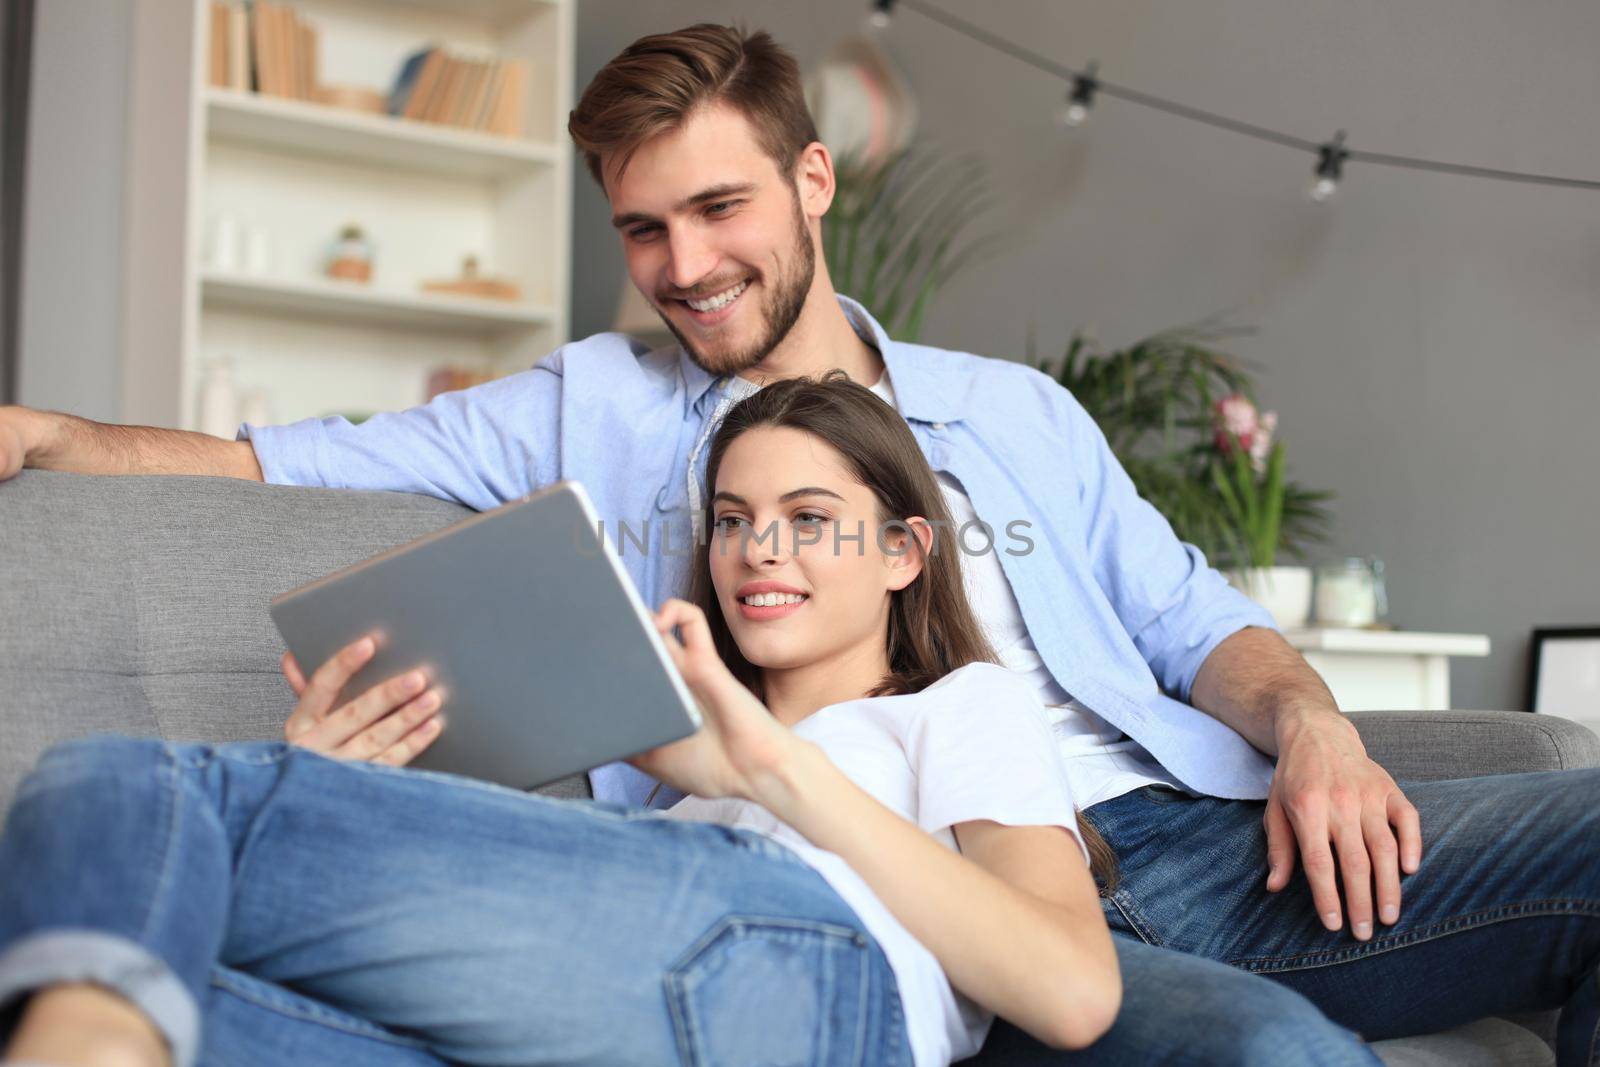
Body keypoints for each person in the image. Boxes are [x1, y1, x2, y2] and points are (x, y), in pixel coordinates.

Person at [0, 21, 1596, 1065]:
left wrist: (1312, 722)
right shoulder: (589, 405)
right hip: (923, 891)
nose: (683, 266)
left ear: (812, 181)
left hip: (1177, 832)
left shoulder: (1017, 410)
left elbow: (1195, 626)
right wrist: (63, 441)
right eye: (642, 229)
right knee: (1258, 1055)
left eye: (718, 209)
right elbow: (285, 457)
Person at [1, 376, 1128, 1066]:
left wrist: (778, 770)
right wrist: (317, 786)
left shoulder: (956, 707)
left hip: (808, 981)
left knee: (116, 779)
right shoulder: (685, 774)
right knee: (169, 993)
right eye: (733, 518)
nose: (760, 549)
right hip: (636, 1012)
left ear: (903, 551)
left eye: (810, 517)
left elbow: (1074, 991)